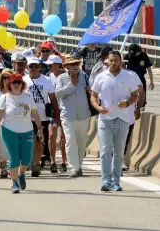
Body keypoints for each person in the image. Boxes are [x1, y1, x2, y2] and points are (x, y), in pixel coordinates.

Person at [91, 51, 139, 192]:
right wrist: (98, 107)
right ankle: (105, 181)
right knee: (106, 151)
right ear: (107, 61)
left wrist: (128, 103)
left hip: (122, 118)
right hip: (105, 119)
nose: (113, 63)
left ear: (120, 61)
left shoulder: (128, 76)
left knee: (118, 152)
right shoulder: (101, 77)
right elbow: (93, 96)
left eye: (116, 60)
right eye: (111, 60)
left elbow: (135, 95)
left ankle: (116, 181)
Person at [0, 73, 43, 193]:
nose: (16, 84)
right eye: (14, 82)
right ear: (10, 84)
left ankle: (21, 174)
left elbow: (35, 114)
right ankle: (14, 183)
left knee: (26, 159)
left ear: (22, 84)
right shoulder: (4, 98)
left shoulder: (28, 97)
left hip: (27, 131)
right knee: (14, 157)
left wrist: (40, 128)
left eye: (18, 82)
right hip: (9, 131)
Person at [55, 57, 91, 178]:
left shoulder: (84, 76)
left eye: (76, 63)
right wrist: (70, 84)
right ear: (67, 67)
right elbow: (58, 94)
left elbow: (90, 91)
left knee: (81, 142)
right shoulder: (61, 78)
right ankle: (73, 167)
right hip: (67, 115)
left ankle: (78, 165)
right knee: (70, 140)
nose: (75, 66)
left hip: (83, 114)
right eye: (72, 64)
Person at [23, 57, 60, 177]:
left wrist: (56, 115)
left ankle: (36, 164)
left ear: (40, 67)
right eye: (30, 66)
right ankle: (31, 162)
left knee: (39, 141)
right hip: (27, 117)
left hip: (43, 116)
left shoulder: (46, 80)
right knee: (30, 141)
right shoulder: (23, 80)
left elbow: (53, 98)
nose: (33, 69)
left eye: (35, 66)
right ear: (27, 68)